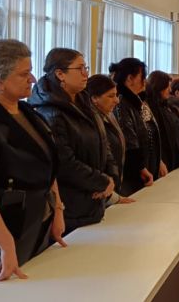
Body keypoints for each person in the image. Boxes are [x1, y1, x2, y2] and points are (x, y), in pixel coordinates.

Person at [0, 40, 66, 291]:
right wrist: (5, 244)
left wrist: (57, 209)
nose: (33, 79)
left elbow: (48, 166)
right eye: (24, 74)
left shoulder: (28, 112)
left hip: (36, 226)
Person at [29, 48, 115, 234]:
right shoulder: (50, 111)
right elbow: (64, 163)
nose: (86, 74)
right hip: (71, 207)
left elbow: (103, 141)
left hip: (94, 199)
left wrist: (110, 177)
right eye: (80, 68)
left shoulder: (83, 101)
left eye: (86, 68)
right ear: (60, 74)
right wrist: (101, 181)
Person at [110, 58, 166, 196]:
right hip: (133, 176)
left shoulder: (139, 101)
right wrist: (141, 167)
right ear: (130, 79)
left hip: (147, 167)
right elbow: (129, 141)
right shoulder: (121, 104)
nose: (145, 81)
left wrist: (158, 160)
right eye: (142, 76)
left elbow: (150, 131)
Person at [87, 74, 135, 206]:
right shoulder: (90, 122)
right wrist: (112, 195)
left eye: (116, 95)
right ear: (94, 98)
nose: (117, 101)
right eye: (110, 96)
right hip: (100, 194)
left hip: (112, 189)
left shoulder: (109, 115)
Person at [146, 71, 179, 172]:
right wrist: (159, 161)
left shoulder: (166, 106)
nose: (170, 89)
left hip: (174, 158)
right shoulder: (151, 108)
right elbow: (154, 138)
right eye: (167, 87)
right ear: (159, 87)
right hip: (163, 160)